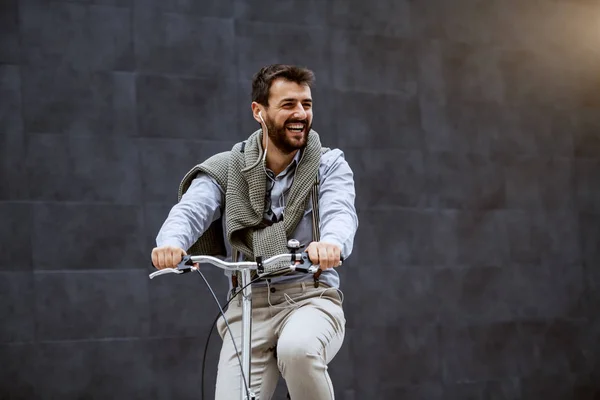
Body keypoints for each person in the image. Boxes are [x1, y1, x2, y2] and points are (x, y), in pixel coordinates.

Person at [151, 64, 358, 400]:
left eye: (306, 104)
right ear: (259, 112)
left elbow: (340, 212)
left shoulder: (328, 165)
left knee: (298, 349)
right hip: (248, 304)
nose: (301, 113)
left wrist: (331, 243)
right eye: (288, 104)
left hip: (311, 298)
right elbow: (191, 209)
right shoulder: (229, 166)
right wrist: (171, 243)